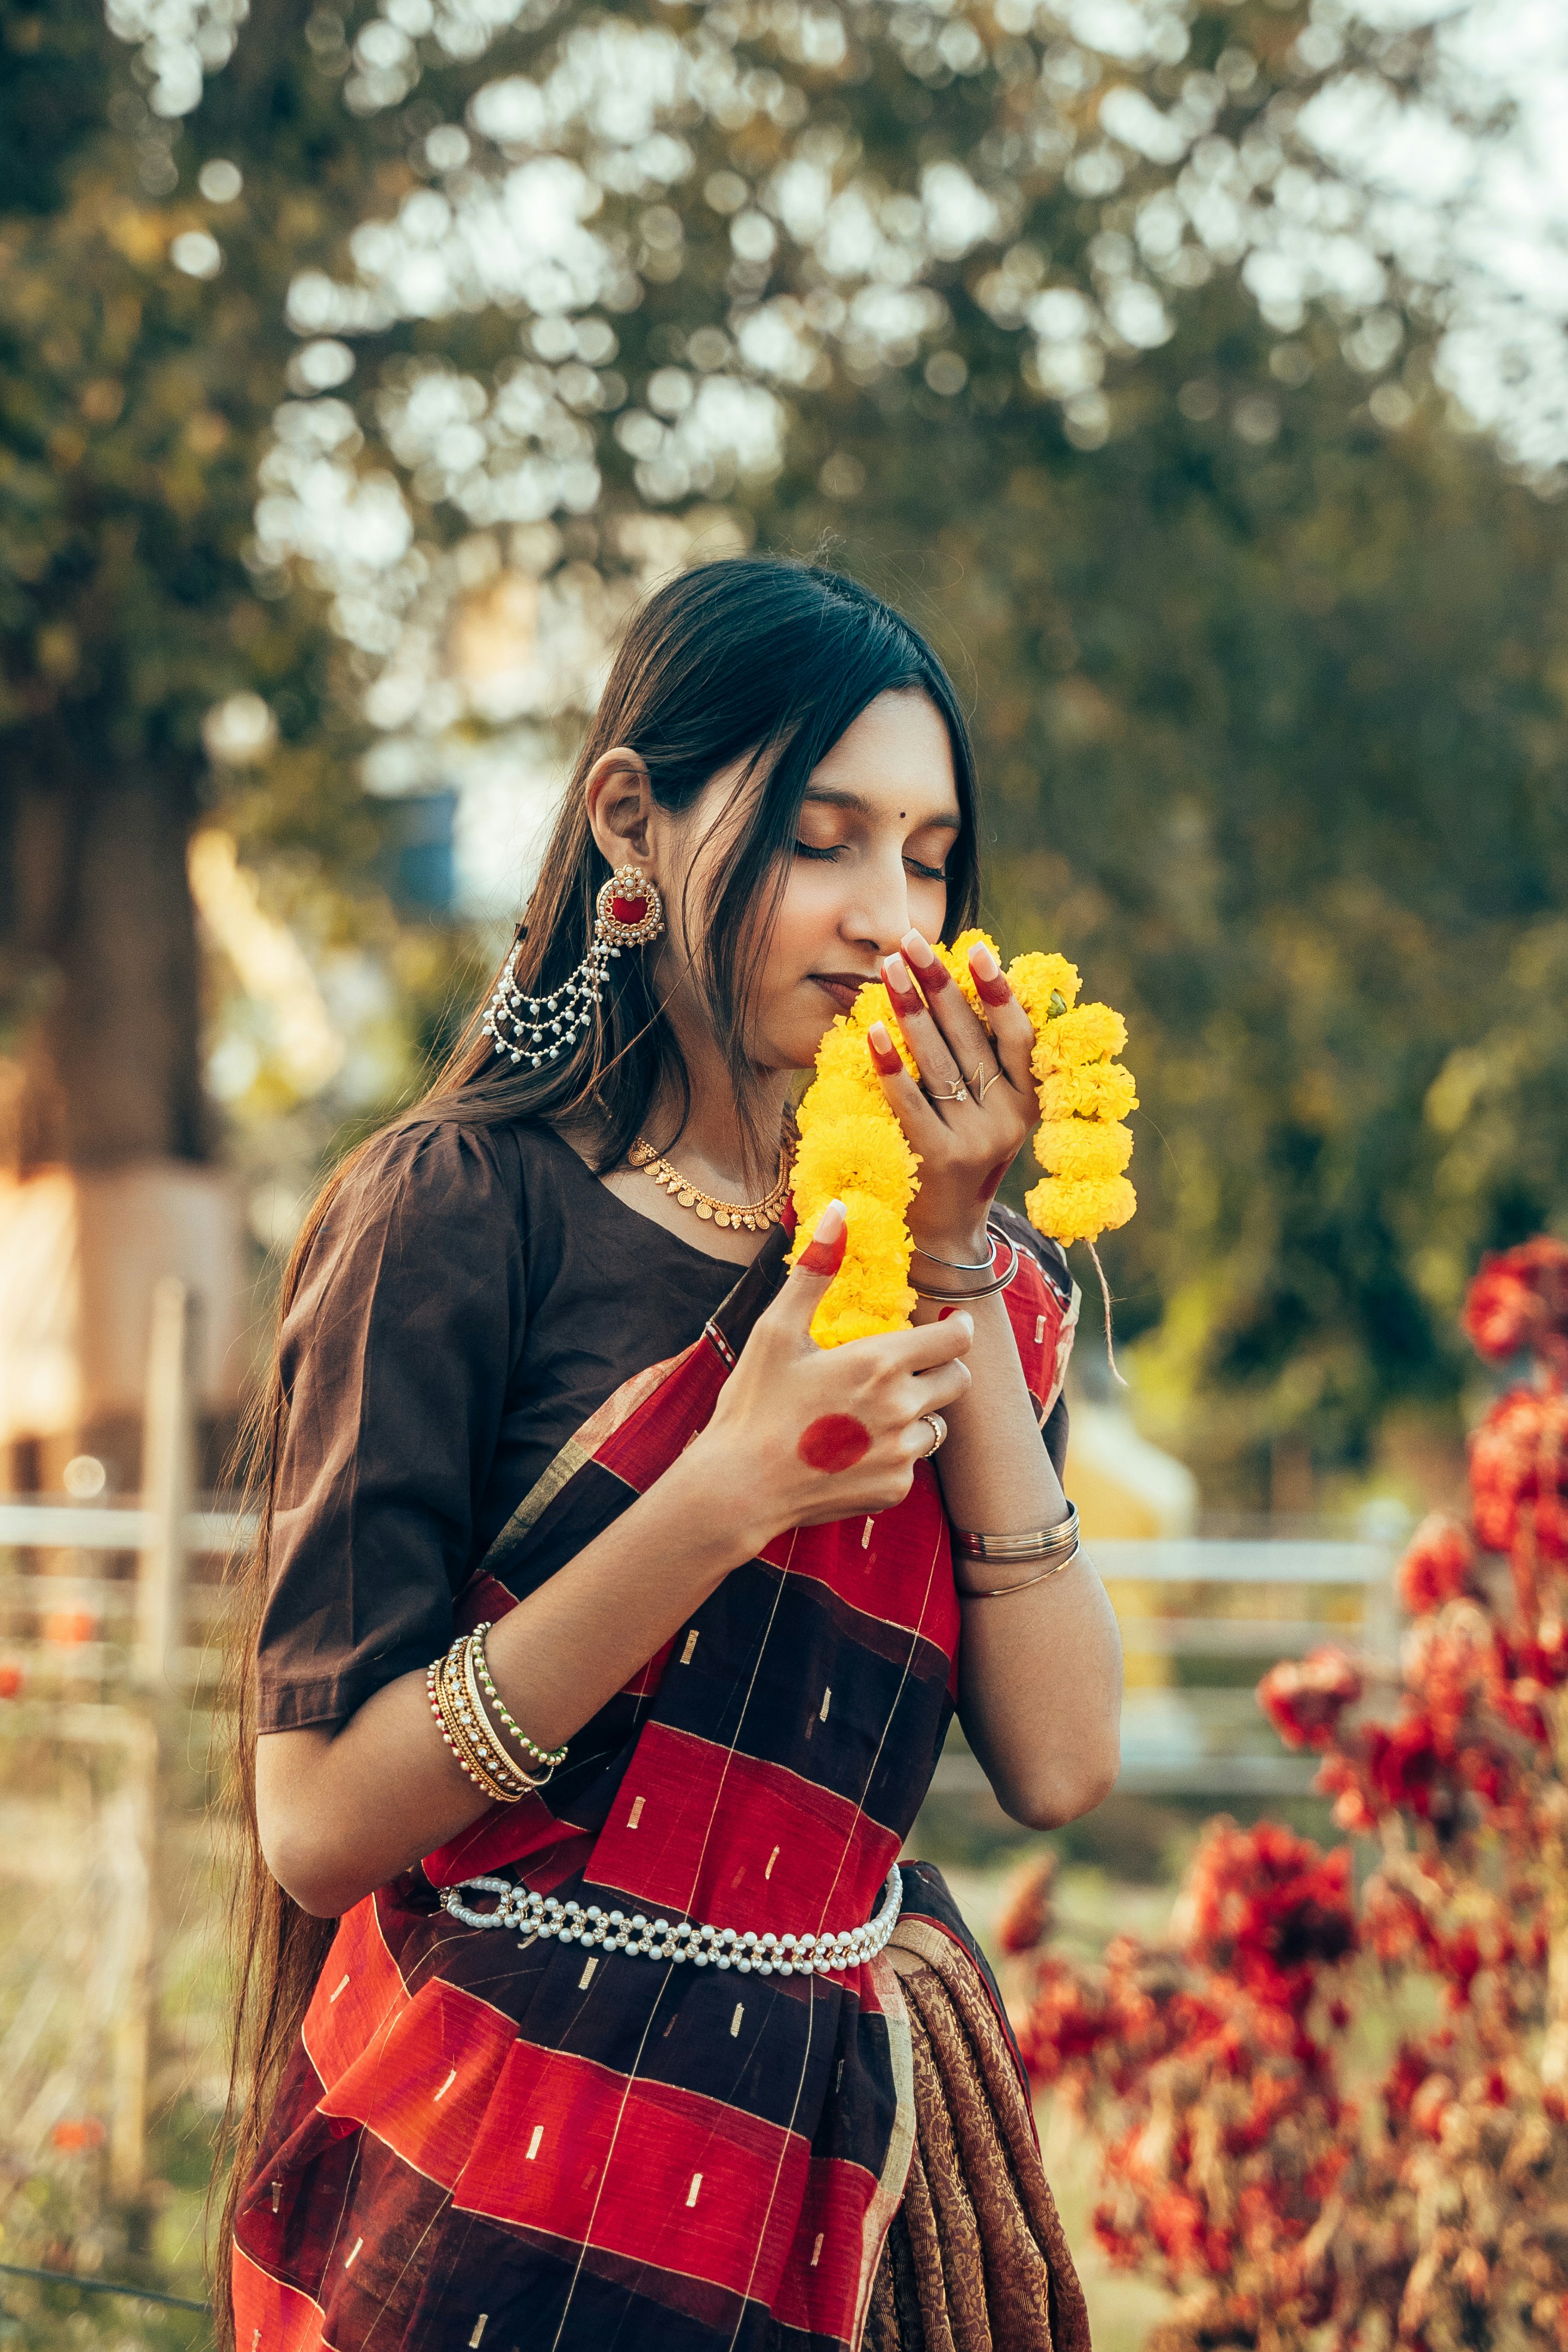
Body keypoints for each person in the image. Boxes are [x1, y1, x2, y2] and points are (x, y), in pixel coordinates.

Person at [218, 555, 1122, 2352]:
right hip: (474, 2205)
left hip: (824, 2204)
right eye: (821, 838)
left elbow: (1065, 1762)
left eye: (930, 857)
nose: (890, 916)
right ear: (632, 821)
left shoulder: (971, 1287)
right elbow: (316, 1826)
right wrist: (726, 1493)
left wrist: (951, 1259)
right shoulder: (463, 1215)